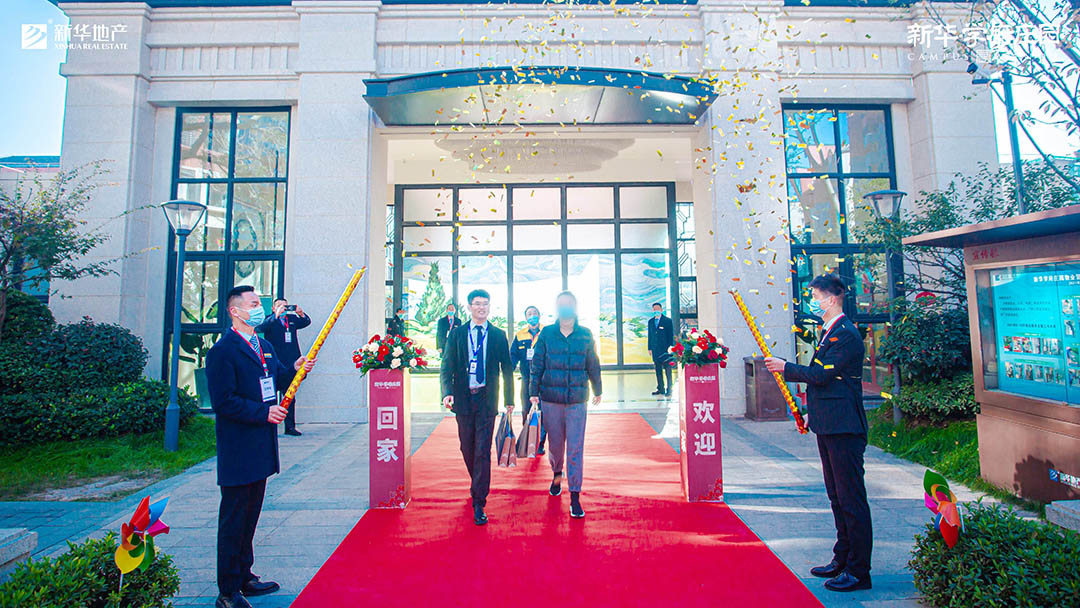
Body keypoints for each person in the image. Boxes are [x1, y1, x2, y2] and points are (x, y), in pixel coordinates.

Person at [206, 286, 316, 608]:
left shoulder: (264, 346)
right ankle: (228, 591)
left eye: (259, 303)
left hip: (261, 446)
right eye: (253, 304)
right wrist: (262, 413)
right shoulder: (223, 351)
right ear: (235, 311)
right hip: (239, 448)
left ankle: (245, 576)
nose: (258, 308)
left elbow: (279, 378)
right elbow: (223, 401)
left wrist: (297, 368)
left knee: (250, 516)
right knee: (233, 519)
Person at [765, 273, 872, 593]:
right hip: (829, 425)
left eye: (815, 297)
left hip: (845, 428)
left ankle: (859, 571)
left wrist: (785, 367)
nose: (812, 302)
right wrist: (812, 412)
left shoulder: (846, 334)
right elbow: (827, 384)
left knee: (851, 500)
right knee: (837, 497)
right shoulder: (830, 331)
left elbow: (822, 375)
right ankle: (842, 558)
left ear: (832, 298)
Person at [440, 289, 514, 526]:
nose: (481, 307)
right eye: (477, 304)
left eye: (485, 304)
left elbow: (507, 369)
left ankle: (479, 501)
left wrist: (509, 399)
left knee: (482, 449)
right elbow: (447, 365)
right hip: (463, 398)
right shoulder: (457, 334)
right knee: (467, 447)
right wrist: (447, 392)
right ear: (469, 307)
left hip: (486, 398)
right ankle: (477, 482)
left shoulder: (498, 335)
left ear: (489, 307)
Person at [529, 291, 602, 519]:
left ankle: (575, 496)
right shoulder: (547, 334)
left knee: (576, 447)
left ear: (575, 307)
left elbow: (593, 363)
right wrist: (533, 392)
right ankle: (557, 475)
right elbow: (537, 364)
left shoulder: (585, 334)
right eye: (562, 304)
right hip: (551, 399)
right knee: (556, 446)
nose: (566, 307)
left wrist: (598, 388)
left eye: (569, 304)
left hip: (577, 400)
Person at [256, 298, 312, 437]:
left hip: (290, 363)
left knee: (289, 395)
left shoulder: (291, 320)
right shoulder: (270, 320)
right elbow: (261, 328)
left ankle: (290, 427)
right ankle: (269, 426)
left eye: (285, 306)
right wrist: (276, 316)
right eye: (280, 306)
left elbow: (306, 322)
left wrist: (300, 313)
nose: (283, 308)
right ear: (273, 308)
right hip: (274, 362)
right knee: (270, 396)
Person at [510, 305, 547, 455]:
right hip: (527, 379)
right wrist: (507, 371)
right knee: (526, 410)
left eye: (535, 313)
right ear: (525, 318)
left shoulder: (546, 332)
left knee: (543, 411)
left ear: (539, 315)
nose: (532, 316)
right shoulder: (520, 335)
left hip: (544, 379)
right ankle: (528, 440)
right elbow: (513, 355)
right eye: (529, 314)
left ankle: (540, 444)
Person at [647, 302, 675, 396]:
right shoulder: (651, 322)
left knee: (668, 371)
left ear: (661, 310)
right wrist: (649, 348)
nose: (656, 311)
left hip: (666, 350)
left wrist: (671, 348)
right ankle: (660, 388)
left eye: (658, 309)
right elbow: (650, 336)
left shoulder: (667, 321)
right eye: (654, 309)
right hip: (655, 350)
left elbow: (670, 336)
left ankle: (669, 389)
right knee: (658, 370)